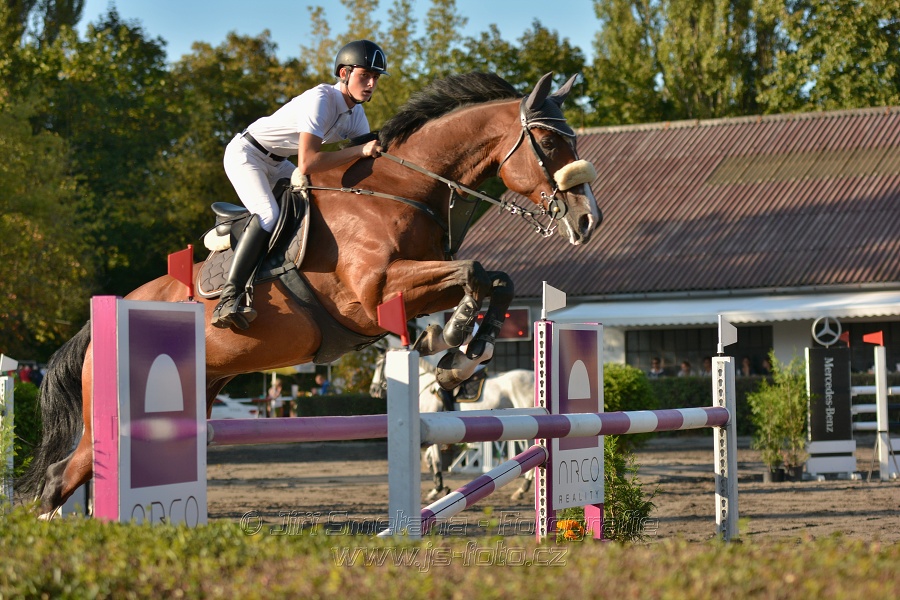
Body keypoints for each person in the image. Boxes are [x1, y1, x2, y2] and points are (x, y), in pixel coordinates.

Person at [213, 40, 389, 330]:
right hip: (247, 154)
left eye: (376, 78)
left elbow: (367, 157)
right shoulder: (322, 99)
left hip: (278, 161)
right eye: (365, 76)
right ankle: (230, 296)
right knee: (269, 215)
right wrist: (361, 150)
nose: (371, 83)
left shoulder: (355, 113)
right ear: (344, 73)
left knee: (315, 205)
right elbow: (308, 162)